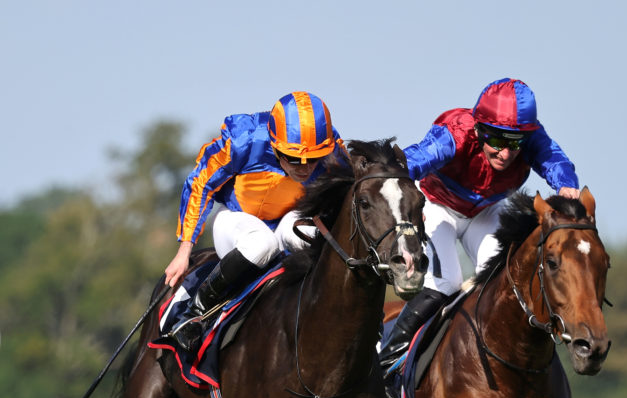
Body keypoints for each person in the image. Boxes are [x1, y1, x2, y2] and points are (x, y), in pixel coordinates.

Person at [379, 78, 581, 368]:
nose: (506, 153)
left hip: (486, 210)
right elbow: (408, 163)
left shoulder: (531, 138)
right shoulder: (456, 133)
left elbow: (555, 160)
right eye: (497, 141)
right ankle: (388, 363)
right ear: (479, 129)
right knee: (448, 282)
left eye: (516, 144)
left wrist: (566, 185)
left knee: (506, 283)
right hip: (438, 207)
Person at [166, 91, 347, 351]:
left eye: (313, 159)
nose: (305, 167)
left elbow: (355, 189)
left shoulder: (334, 150)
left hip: (286, 222)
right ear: (274, 144)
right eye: (294, 158)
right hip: (236, 221)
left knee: (309, 233)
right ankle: (197, 310)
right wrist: (185, 250)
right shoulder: (244, 140)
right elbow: (200, 183)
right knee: (262, 243)